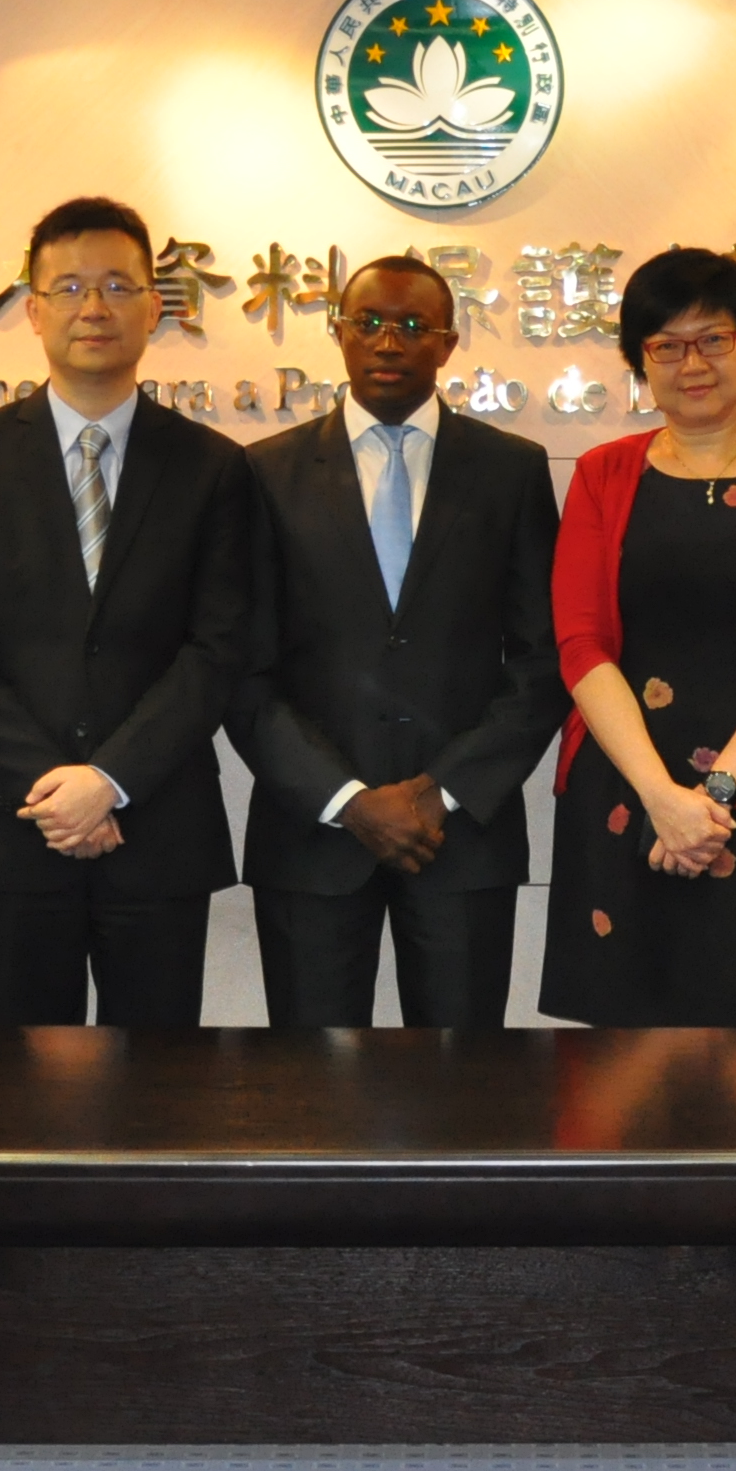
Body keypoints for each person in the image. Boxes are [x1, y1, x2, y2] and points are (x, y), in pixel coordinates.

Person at [0, 197, 255, 1026]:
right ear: (33, 310)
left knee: (159, 1084)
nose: (93, 308)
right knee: (18, 1084)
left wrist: (110, 781)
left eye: (116, 286)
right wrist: (53, 791)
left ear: (154, 306)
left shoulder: (213, 466)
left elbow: (217, 649)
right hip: (13, 829)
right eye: (68, 288)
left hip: (158, 828)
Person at [236, 255, 565, 1028]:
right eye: (370, 323)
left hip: (462, 835)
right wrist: (346, 799)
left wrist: (439, 791)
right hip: (312, 834)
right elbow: (242, 667)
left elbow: (543, 659)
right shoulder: (264, 473)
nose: (389, 342)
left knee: (461, 1079)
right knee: (311, 1084)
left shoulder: (511, 470)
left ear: (448, 343)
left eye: (414, 326)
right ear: (338, 333)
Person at [540, 247, 736, 1026]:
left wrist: (711, 801)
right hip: (625, 793)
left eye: (714, 339)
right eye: (667, 346)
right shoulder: (602, 474)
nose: (693, 364)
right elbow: (580, 645)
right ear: (640, 361)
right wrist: (661, 799)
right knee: (620, 1061)